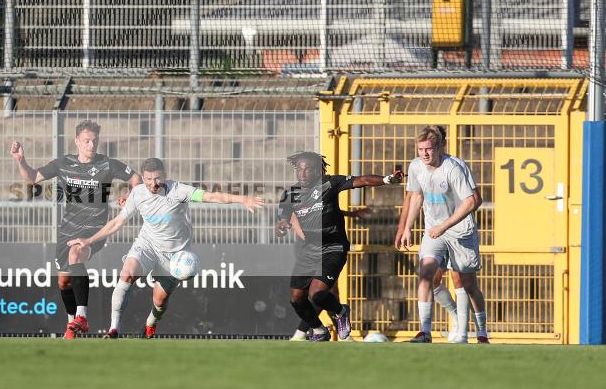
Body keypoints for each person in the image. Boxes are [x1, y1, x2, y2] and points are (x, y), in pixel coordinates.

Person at [67, 157, 264, 338]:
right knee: (126, 274)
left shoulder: (179, 191)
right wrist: (89, 240)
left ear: (165, 176)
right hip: (147, 246)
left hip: (175, 254)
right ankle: (114, 329)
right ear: (143, 179)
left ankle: (150, 324)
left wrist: (243, 199)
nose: (154, 184)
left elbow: (213, 197)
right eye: (149, 179)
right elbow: (117, 222)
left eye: (158, 178)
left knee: (159, 301)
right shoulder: (138, 193)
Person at [11, 120, 141, 338]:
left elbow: (136, 179)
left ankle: (82, 317)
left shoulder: (107, 164)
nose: (91, 145)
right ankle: (72, 324)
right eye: (87, 141)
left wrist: (128, 196)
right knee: (64, 282)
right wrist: (21, 160)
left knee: (76, 254)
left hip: (94, 229)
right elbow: (33, 177)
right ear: (77, 142)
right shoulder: (64, 163)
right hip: (67, 229)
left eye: (95, 141)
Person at [277, 151, 403, 342]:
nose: (302, 174)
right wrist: (281, 226)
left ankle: (340, 311)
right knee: (296, 298)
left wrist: (387, 179)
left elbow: (363, 180)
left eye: (307, 169)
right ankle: (318, 330)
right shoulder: (291, 194)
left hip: (333, 248)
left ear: (318, 170)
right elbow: (284, 217)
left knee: (318, 294)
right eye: (299, 169)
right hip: (309, 251)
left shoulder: (329, 184)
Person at [395, 126, 489, 343]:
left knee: (466, 282)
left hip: (460, 231)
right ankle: (425, 332)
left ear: (439, 147)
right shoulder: (416, 167)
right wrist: (407, 227)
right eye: (421, 149)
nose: (425, 153)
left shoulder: (454, 167)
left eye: (429, 149)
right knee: (426, 274)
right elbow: (416, 197)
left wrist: (446, 225)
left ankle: (479, 332)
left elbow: (473, 200)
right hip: (434, 231)